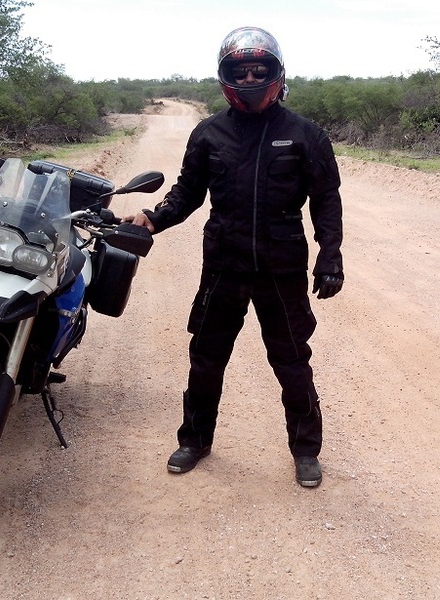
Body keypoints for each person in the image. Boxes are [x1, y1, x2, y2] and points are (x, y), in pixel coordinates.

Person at [124, 26, 344, 488]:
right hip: (223, 261)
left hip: (281, 266)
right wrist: (153, 216)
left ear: (276, 74)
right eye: (239, 70)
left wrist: (330, 255)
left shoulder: (306, 135)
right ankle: (195, 440)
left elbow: (327, 199)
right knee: (206, 356)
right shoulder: (209, 133)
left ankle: (306, 451)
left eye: (258, 69)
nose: (249, 77)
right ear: (225, 76)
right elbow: (187, 193)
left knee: (291, 360)